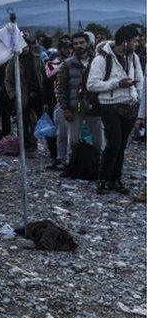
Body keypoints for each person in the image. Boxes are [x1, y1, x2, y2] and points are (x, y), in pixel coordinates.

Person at [87, 24, 143, 195]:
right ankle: (103, 180)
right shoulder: (101, 59)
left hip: (129, 105)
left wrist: (136, 97)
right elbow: (92, 85)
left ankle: (115, 180)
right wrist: (117, 84)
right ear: (125, 42)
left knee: (121, 145)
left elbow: (139, 79)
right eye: (135, 41)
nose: (138, 44)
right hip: (109, 106)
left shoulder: (133, 58)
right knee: (114, 144)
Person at [55, 33, 105, 167]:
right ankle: (73, 164)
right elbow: (61, 88)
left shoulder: (98, 61)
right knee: (73, 138)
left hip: (94, 106)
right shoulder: (67, 64)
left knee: (98, 137)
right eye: (76, 43)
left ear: (88, 43)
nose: (79, 46)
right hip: (74, 106)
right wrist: (64, 108)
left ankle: (98, 163)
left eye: (81, 42)